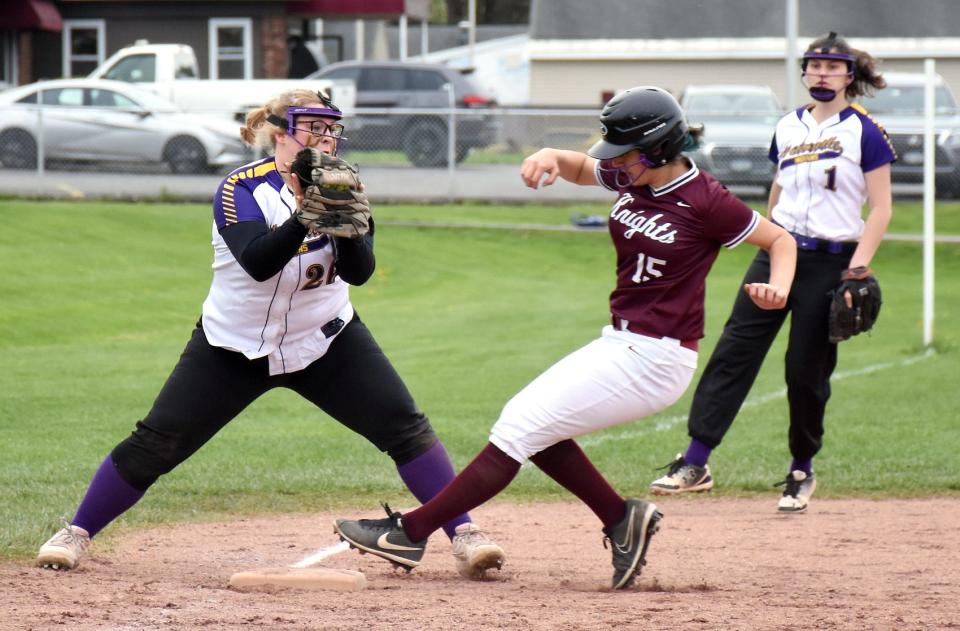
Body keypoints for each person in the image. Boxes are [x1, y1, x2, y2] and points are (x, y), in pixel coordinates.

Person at [332, 86, 797, 589]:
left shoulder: (705, 198)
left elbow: (780, 239)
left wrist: (778, 288)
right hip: (622, 342)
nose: (617, 165)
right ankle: (622, 520)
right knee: (536, 426)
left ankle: (410, 532)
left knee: (519, 426)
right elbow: (581, 167)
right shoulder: (632, 174)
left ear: (659, 149)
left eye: (626, 153)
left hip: (658, 358)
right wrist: (549, 155)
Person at [36, 88, 505, 580]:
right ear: (281, 132)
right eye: (313, 128)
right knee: (157, 442)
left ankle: (466, 534)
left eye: (331, 130)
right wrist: (307, 215)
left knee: (404, 427)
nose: (326, 139)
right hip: (234, 344)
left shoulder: (343, 184)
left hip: (324, 337)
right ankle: (76, 531)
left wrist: (343, 221)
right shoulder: (241, 188)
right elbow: (259, 261)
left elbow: (360, 272)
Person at [650, 32, 895, 513]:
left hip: (830, 262)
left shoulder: (864, 131)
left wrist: (858, 268)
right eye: (815, 66)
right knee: (734, 352)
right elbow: (778, 192)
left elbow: (882, 208)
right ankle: (695, 461)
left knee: (805, 371)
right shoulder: (787, 126)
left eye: (832, 66)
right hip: (778, 254)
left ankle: (801, 468)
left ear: (850, 75)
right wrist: (767, 237)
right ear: (804, 73)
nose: (822, 74)